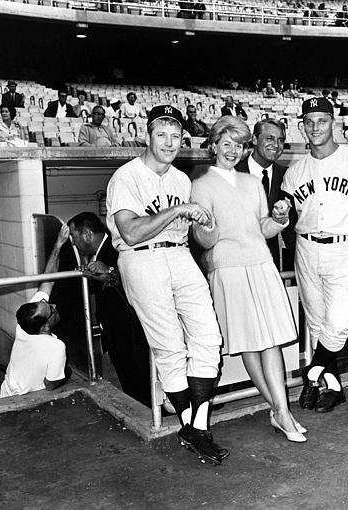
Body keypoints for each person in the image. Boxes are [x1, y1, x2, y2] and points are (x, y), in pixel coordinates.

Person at [106, 105, 228, 465]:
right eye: (162, 134)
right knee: (170, 347)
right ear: (148, 136)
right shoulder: (126, 177)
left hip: (179, 255)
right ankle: (195, 428)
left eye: (176, 136)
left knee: (209, 338)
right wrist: (177, 211)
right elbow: (129, 232)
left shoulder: (180, 179)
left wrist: (205, 223)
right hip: (141, 259)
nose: (169, 142)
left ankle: (195, 426)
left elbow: (198, 236)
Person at [191, 116, 306, 443]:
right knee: (250, 346)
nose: (232, 151)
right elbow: (206, 241)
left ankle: (280, 412)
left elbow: (263, 229)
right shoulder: (201, 186)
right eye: (225, 144)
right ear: (213, 146)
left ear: (245, 149)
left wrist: (279, 219)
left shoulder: (253, 184)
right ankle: (281, 411)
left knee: (269, 341)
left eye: (238, 145)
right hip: (228, 269)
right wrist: (206, 227)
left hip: (261, 265)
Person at [281, 97, 348, 413]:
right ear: (301, 127)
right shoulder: (294, 172)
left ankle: (312, 376)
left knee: (337, 323)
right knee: (317, 323)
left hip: (345, 247)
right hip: (306, 248)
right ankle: (331, 387)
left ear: (333, 123)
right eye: (309, 122)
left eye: (321, 121)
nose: (315, 127)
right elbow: (287, 222)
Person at [67, 212, 151, 407]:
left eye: (74, 236)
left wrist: (111, 272)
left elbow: (135, 278)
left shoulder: (116, 250)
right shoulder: (97, 256)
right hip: (117, 334)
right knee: (131, 384)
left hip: (131, 333)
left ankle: (149, 414)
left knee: (139, 383)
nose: (73, 242)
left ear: (87, 234)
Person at [0, 225, 72, 398]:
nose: (54, 305)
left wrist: (58, 244)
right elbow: (50, 384)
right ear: (45, 326)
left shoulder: (25, 325)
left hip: (6, 392)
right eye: (52, 310)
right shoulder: (56, 347)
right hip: (25, 400)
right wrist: (66, 372)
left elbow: (48, 281)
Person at [236, 118, 295, 270]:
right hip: (235, 262)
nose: (276, 145)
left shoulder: (286, 175)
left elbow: (289, 226)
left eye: (280, 140)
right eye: (269, 138)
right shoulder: (232, 172)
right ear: (254, 139)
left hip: (270, 263)